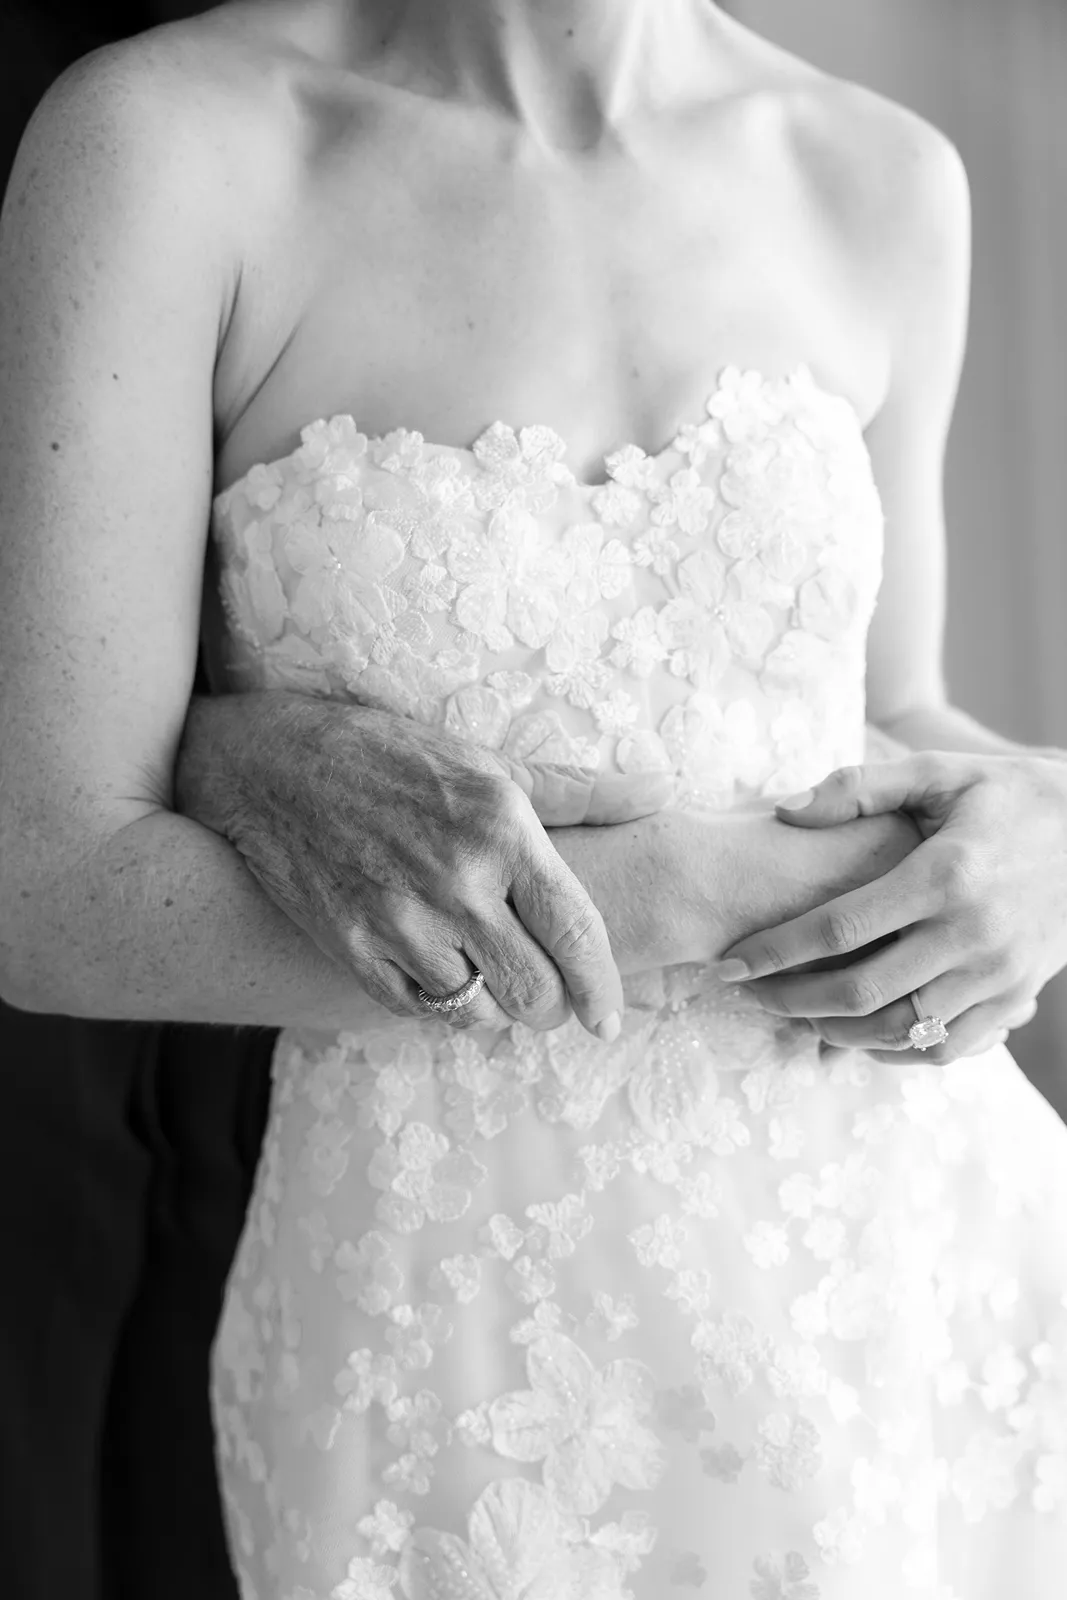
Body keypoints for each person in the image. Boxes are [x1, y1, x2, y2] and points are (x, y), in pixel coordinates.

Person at [3, 3, 1067, 1599]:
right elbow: (50, 894)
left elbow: (884, 714)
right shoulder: (164, 147)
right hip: (454, 1316)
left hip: (894, 1271)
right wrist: (670, 898)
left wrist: (1049, 828)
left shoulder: (880, 175)